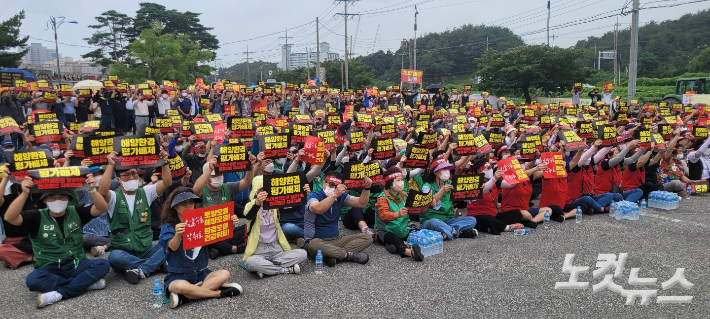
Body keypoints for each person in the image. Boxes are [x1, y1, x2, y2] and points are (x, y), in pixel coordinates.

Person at [3, 174, 110, 308]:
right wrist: (25, 193)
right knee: (33, 280)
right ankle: (86, 283)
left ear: (68, 199)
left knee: (103, 264)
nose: (57, 200)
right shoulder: (36, 216)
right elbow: (9, 217)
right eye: (52, 198)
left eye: (62, 197)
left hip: (76, 263)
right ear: (45, 201)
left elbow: (102, 208)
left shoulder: (76, 211)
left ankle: (59, 294)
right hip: (49, 266)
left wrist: (92, 190)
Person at [159, 187, 243, 309]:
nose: (188, 205)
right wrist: (177, 234)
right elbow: (171, 248)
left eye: (191, 202)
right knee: (178, 286)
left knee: (225, 273)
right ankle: (218, 293)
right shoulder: (168, 227)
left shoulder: (202, 220)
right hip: (178, 274)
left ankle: (186, 297)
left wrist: (229, 222)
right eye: (183, 203)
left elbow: (218, 236)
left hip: (201, 273)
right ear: (174, 207)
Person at [98, 150, 172, 284]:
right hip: (124, 252)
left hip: (146, 248)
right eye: (126, 175)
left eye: (134, 173)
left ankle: (142, 269)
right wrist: (110, 165)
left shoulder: (146, 192)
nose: (131, 177)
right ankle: (157, 265)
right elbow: (102, 191)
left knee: (169, 244)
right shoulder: (114, 197)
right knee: (114, 257)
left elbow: (167, 183)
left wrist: (165, 162)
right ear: (119, 180)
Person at [193, 154, 259, 259]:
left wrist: (249, 167)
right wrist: (209, 170)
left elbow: (246, 182)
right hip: (208, 233)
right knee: (203, 237)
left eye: (220, 174)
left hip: (227, 232)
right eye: (214, 175)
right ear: (207, 177)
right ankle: (232, 248)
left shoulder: (227, 188)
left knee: (252, 226)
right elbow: (195, 189)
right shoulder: (202, 191)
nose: (218, 177)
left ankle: (217, 248)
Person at [301, 171, 373, 267]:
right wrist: (334, 195)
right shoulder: (313, 196)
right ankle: (347, 255)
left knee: (367, 237)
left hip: (335, 240)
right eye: (331, 184)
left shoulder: (341, 196)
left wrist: (366, 188)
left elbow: (361, 203)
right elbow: (318, 209)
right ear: (324, 183)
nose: (333, 188)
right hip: (316, 240)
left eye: (337, 186)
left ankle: (331, 254)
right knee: (313, 245)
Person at [242, 176, 308, 277]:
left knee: (303, 254)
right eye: (262, 190)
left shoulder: (274, 204)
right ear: (256, 191)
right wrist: (257, 203)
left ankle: (266, 269)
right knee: (250, 263)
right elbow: (248, 215)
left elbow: (291, 208)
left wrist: (303, 194)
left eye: (268, 189)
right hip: (258, 250)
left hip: (277, 248)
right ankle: (285, 269)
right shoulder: (251, 205)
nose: (266, 192)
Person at [419, 157, 478, 239]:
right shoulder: (427, 186)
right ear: (435, 172)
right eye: (443, 169)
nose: (447, 171)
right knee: (434, 223)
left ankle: (448, 231)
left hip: (447, 220)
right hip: (430, 219)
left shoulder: (450, 183)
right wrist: (442, 191)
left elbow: (465, 196)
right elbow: (426, 203)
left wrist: (477, 189)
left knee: (472, 220)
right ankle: (456, 232)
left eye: (447, 168)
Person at [374, 169, 424, 261]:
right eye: (398, 180)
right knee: (393, 238)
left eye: (401, 179)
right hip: (386, 230)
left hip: (403, 228)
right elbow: (384, 215)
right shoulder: (382, 198)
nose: (401, 182)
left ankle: (393, 246)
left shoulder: (404, 194)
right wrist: (397, 214)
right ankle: (411, 253)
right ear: (390, 183)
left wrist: (429, 200)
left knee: (417, 233)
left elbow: (418, 200)